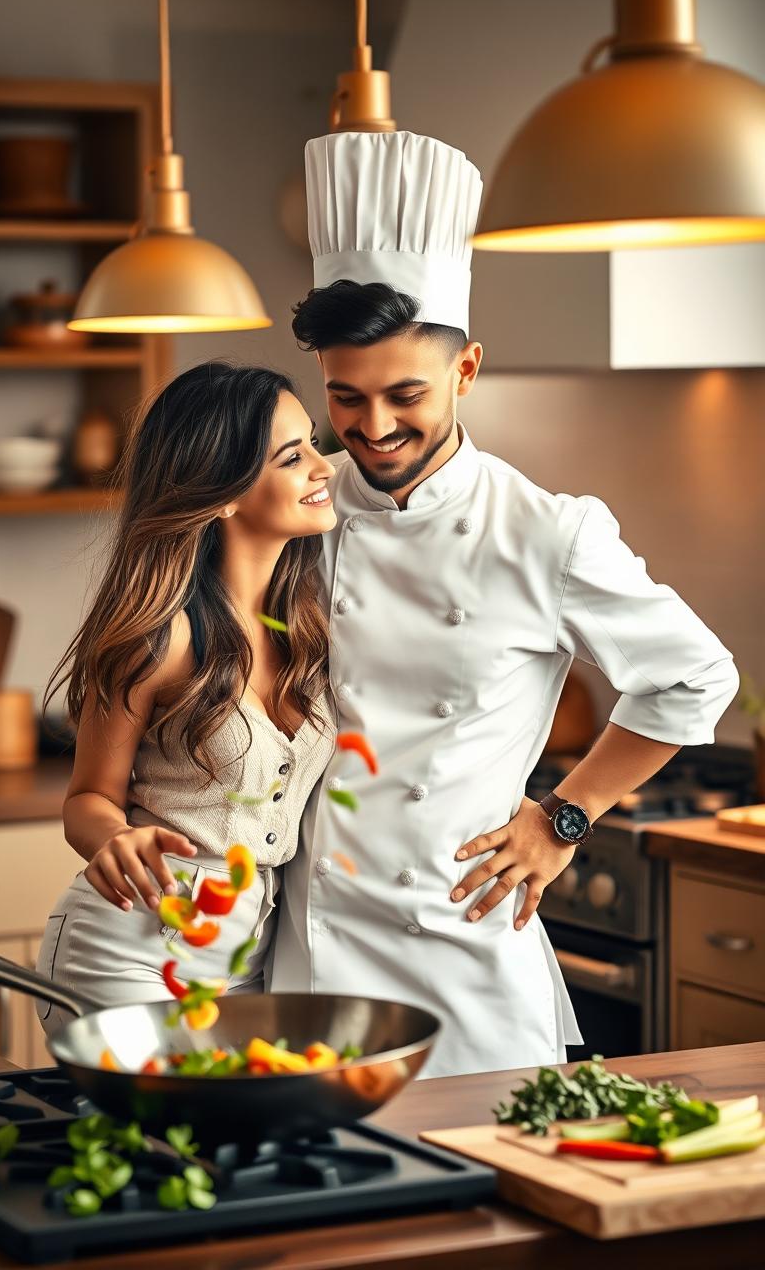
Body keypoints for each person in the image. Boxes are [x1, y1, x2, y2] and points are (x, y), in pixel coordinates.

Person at [268, 130, 741, 1079]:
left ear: (467, 370)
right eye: (346, 399)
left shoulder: (544, 531)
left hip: (458, 951)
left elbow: (696, 678)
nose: (375, 428)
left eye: (406, 394)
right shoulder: (295, 504)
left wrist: (565, 818)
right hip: (308, 951)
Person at [35, 361, 337, 1036]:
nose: (325, 466)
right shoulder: (162, 637)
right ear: (223, 494)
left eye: (313, 442)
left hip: (250, 961)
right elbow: (86, 800)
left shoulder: (311, 623)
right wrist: (113, 838)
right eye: (294, 456)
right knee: (149, 1145)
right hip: (132, 951)